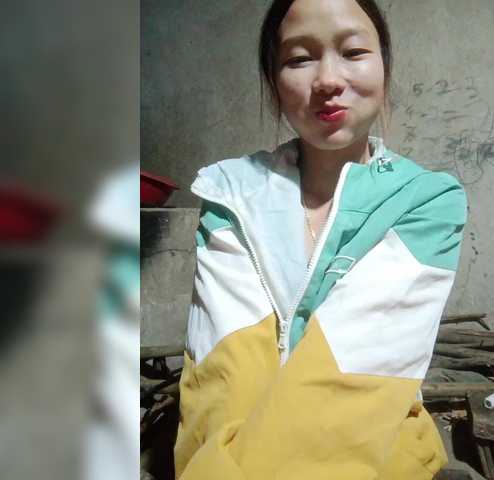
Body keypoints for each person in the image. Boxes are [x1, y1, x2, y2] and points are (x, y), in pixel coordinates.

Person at [174, 0, 467, 478]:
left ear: (384, 68)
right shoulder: (230, 195)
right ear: (274, 82)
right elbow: (222, 376)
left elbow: (355, 382)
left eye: (353, 52)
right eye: (299, 58)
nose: (328, 79)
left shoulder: (428, 201)